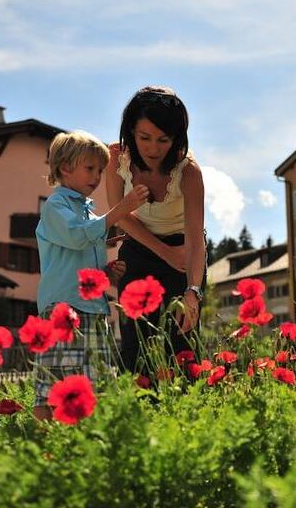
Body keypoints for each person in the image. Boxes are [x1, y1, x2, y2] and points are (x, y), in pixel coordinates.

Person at [33, 130, 149, 421]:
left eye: (100, 170)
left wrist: (106, 274)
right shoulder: (56, 206)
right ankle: (41, 439)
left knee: (93, 385)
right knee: (55, 383)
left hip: (92, 309)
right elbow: (77, 237)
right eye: (90, 168)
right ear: (65, 168)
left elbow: (80, 257)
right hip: (64, 308)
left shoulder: (88, 213)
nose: (97, 176)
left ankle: (81, 438)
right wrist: (121, 209)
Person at [105, 85, 206, 376]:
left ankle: (184, 402)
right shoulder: (116, 158)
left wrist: (193, 292)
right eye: (144, 137)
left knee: (182, 343)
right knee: (135, 343)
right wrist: (164, 252)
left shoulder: (189, 172)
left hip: (184, 252)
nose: (153, 148)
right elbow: (119, 214)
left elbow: (195, 239)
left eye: (163, 140)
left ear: (176, 138)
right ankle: (139, 401)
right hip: (138, 247)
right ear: (131, 132)